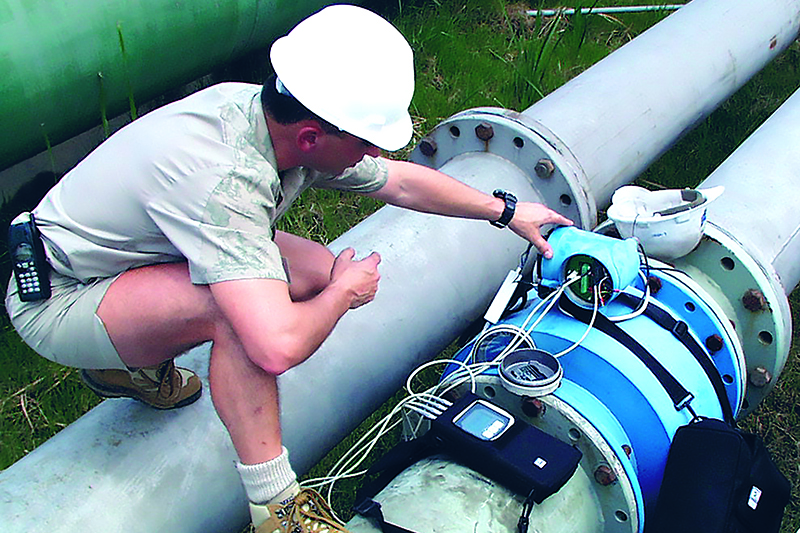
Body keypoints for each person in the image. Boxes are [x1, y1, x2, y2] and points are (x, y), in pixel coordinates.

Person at [5, 5, 572, 532]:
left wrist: (506, 210)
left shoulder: (269, 115)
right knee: (237, 319)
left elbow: (399, 181)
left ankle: (131, 362)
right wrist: (343, 295)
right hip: (63, 295)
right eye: (366, 142)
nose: (370, 155)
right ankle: (277, 508)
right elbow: (275, 347)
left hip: (144, 251)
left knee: (315, 271)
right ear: (312, 136)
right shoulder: (225, 183)